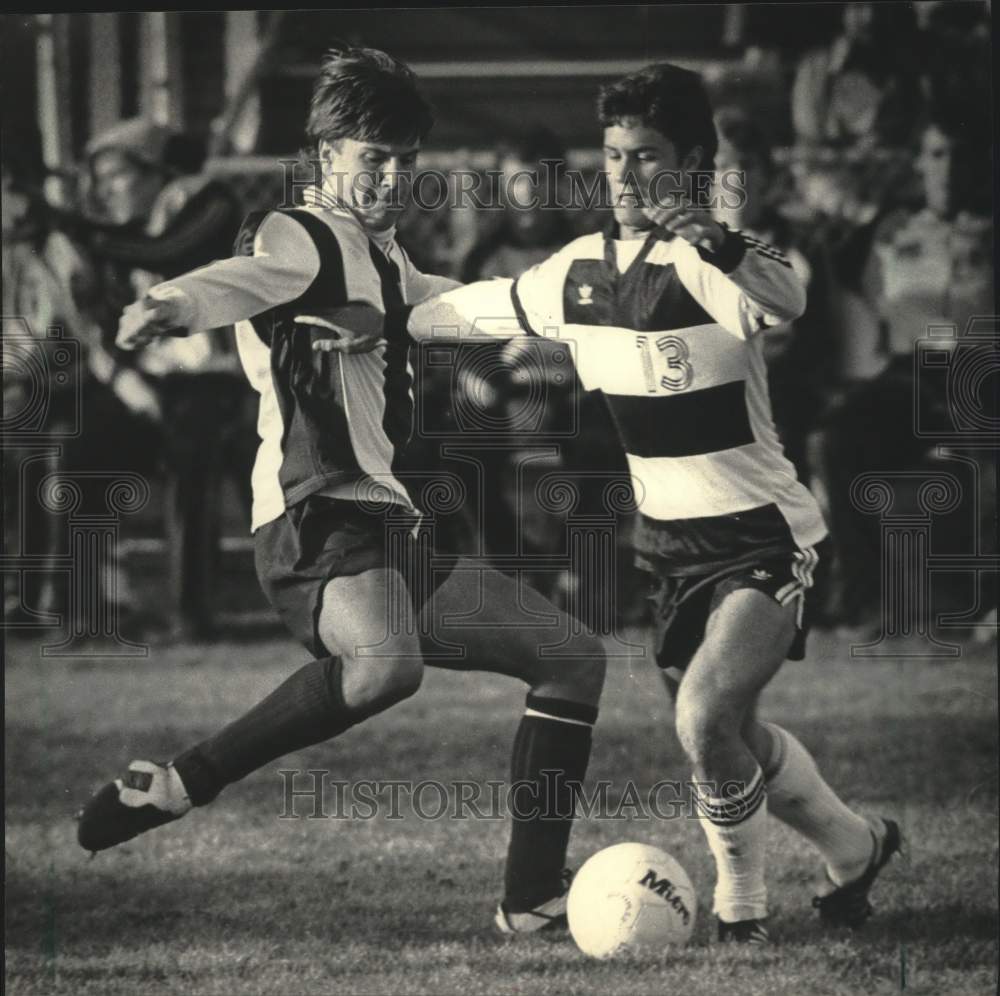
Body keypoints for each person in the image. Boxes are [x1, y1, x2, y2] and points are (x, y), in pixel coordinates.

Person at [308, 63, 902, 945]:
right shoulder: (578, 271)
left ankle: (741, 910)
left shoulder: (713, 263)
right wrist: (381, 315)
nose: (625, 173)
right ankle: (856, 847)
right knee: (732, 733)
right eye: (615, 154)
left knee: (701, 718)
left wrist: (720, 239)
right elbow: (469, 311)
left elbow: (788, 294)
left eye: (648, 155)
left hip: (763, 538)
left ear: (691, 163)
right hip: (666, 548)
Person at [77, 47, 606, 937]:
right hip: (313, 511)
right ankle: (176, 783)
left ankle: (530, 899)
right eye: (374, 158)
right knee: (387, 665)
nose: (392, 177)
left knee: (572, 656)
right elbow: (245, 277)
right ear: (327, 155)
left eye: (406, 159)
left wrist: (572, 305)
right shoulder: (300, 232)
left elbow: (450, 305)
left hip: (387, 520)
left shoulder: (383, 256)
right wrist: (171, 304)